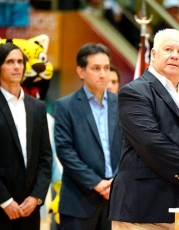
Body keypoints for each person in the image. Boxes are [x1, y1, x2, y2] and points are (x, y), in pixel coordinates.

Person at [108, 28, 179, 228]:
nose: (174, 55)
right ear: (153, 54)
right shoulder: (135, 91)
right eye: (168, 49)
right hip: (146, 207)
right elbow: (151, 143)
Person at [0, 42, 52, 229]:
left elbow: (45, 158)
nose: (17, 66)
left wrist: (36, 197)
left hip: (30, 208)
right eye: (10, 62)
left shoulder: (38, 107)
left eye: (20, 61)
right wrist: (5, 201)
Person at [54, 43, 123, 230]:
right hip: (79, 200)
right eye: (96, 68)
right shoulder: (65, 106)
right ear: (81, 71)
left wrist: (115, 181)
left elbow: (130, 147)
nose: (103, 74)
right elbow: (65, 151)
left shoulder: (122, 104)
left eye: (106, 68)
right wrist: (97, 183)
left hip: (115, 200)